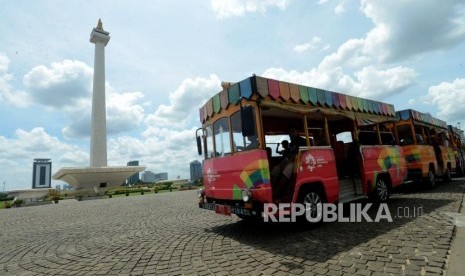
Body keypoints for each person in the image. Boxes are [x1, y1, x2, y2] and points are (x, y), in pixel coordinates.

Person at [271, 127, 307, 200]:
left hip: (299, 161)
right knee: (276, 169)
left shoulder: (302, 141)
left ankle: (276, 191)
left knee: (287, 168)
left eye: (293, 132)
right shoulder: (291, 143)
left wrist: (287, 162)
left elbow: (299, 154)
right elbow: (288, 154)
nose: (291, 134)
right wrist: (283, 162)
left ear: (297, 132)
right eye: (289, 133)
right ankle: (271, 188)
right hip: (288, 160)